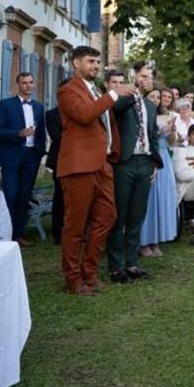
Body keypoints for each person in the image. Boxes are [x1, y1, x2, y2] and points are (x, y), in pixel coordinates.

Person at [57, 46, 134, 296]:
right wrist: (113, 94)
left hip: (103, 164)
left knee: (107, 217)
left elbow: (107, 124)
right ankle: (73, 279)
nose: (95, 65)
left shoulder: (98, 90)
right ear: (75, 63)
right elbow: (85, 115)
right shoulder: (67, 90)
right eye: (90, 61)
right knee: (75, 226)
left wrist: (114, 151)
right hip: (79, 165)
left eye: (98, 61)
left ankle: (90, 273)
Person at [107, 61, 163, 284]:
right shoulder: (122, 99)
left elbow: (153, 134)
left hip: (145, 163)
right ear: (134, 76)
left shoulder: (150, 106)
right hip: (125, 163)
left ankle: (131, 263)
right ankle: (115, 266)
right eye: (143, 76)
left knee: (136, 217)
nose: (147, 79)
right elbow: (117, 110)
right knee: (118, 216)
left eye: (150, 76)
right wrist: (135, 91)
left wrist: (155, 163)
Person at [0, 71, 47, 247]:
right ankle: (5, 233)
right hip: (11, 156)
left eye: (31, 82)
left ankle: (18, 234)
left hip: (32, 156)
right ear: (18, 85)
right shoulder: (5, 104)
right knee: (11, 195)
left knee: (24, 196)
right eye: (24, 83)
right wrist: (18, 133)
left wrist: (40, 151)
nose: (28, 86)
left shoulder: (38, 107)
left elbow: (41, 131)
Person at [139, 88, 178, 256]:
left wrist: (172, 131)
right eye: (154, 97)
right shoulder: (143, 114)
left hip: (164, 159)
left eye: (158, 97)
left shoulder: (167, 116)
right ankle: (144, 242)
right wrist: (160, 131)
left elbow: (171, 142)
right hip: (150, 157)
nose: (157, 100)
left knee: (162, 199)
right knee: (148, 201)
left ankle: (157, 240)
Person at [46, 103, 64, 244]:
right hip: (60, 159)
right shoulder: (52, 114)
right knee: (60, 195)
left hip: (79, 159)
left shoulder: (79, 111)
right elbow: (57, 136)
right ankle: (58, 232)